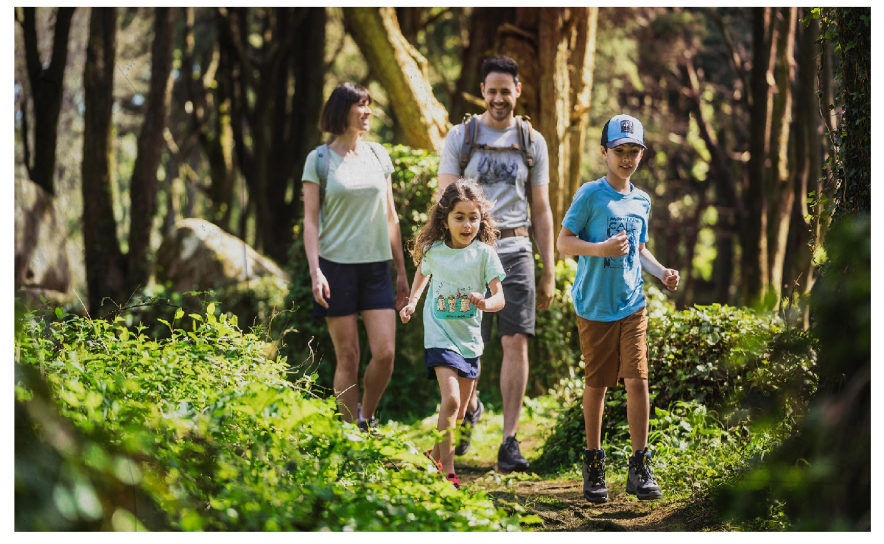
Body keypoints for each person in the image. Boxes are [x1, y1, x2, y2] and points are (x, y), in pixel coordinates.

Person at [437, 56, 554, 472]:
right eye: (492, 90)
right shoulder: (461, 136)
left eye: (507, 90)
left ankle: (509, 441)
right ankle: (468, 410)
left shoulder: (531, 140)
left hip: (516, 249)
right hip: (467, 255)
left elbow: (541, 209)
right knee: (468, 340)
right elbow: (444, 203)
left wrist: (550, 270)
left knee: (515, 340)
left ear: (518, 91)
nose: (499, 98)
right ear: (482, 91)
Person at [557, 114, 680, 503]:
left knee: (637, 380)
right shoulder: (590, 195)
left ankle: (639, 465)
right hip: (594, 306)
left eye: (634, 152)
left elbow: (640, 249)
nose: (627, 159)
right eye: (620, 151)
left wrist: (661, 272)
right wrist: (599, 250)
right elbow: (564, 242)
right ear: (604, 152)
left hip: (632, 303)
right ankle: (593, 462)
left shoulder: (641, 200)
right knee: (597, 385)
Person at [301, 82, 409, 430]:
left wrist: (402, 272)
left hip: (376, 267)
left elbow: (392, 216)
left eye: (369, 105)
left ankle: (367, 414)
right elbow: (310, 222)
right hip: (335, 270)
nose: (367, 112)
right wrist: (316, 272)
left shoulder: (379, 155)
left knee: (385, 354)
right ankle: (350, 435)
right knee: (348, 356)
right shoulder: (319, 160)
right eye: (359, 105)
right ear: (341, 110)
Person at [400, 179, 506, 490]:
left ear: (481, 219)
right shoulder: (434, 250)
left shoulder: (485, 254)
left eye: (473, 217)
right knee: (452, 399)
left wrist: (486, 303)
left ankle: (434, 454)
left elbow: (500, 297)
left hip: (470, 341)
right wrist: (413, 301)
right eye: (459, 217)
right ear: (444, 220)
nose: (467, 224)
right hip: (439, 336)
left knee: (458, 413)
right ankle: (448, 470)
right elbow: (423, 270)